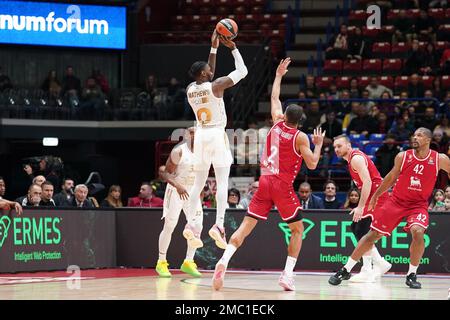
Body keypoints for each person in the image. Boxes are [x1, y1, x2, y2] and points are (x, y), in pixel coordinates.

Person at [212, 58, 325, 291]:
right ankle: (287, 275)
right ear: (300, 121)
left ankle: (223, 260)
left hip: (263, 181)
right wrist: (319, 144)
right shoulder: (300, 137)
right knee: (297, 230)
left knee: (245, 226)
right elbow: (312, 165)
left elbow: (274, 97)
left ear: (285, 115)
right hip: (282, 185)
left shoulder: (275, 123)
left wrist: (278, 75)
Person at [329, 127, 450, 289]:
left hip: (418, 205)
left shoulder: (440, 159)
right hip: (396, 202)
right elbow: (390, 178)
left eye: (419, 135)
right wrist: (375, 196)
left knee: (418, 231)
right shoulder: (403, 156)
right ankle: (346, 269)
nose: (415, 137)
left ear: (428, 140)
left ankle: (411, 274)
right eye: (414, 135)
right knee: (370, 235)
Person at [184, 30, 248, 250]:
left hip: (200, 134)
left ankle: (191, 225)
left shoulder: (191, 89)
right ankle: (218, 225)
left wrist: (214, 48)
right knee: (222, 181)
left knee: (198, 184)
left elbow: (209, 74)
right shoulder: (216, 85)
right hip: (216, 134)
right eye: (208, 70)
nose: (212, 70)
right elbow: (243, 71)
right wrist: (232, 48)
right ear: (203, 74)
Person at [333, 135, 392, 282]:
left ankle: (374, 266)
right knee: (358, 229)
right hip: (374, 196)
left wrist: (361, 207)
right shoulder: (351, 160)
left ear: (348, 145)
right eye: (334, 147)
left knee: (361, 230)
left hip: (378, 196)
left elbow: (367, 183)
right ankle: (372, 266)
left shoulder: (356, 159)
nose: (336, 149)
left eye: (339, 146)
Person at [156, 127, 204, 278]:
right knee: (170, 226)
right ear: (186, 136)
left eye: (197, 133)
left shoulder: (203, 152)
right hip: (176, 190)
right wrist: (177, 185)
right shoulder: (179, 151)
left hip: (192, 193)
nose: (195, 136)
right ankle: (161, 262)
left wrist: (200, 195)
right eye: (192, 133)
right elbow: (164, 172)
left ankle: (188, 262)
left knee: (198, 225)